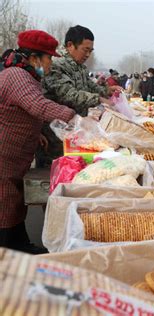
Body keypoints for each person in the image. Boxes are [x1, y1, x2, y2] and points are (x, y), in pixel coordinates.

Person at [0, 30, 76, 253]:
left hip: (15, 155)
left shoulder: (25, 75)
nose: (50, 63)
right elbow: (38, 106)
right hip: (4, 155)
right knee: (5, 202)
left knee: (13, 200)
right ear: (34, 57)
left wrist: (37, 133)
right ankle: (8, 252)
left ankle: (18, 245)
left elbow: (18, 110)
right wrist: (74, 116)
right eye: (49, 58)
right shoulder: (17, 76)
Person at [40, 25, 122, 167]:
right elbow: (68, 94)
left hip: (74, 131)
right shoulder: (56, 65)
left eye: (90, 51)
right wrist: (98, 99)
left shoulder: (79, 67)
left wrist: (107, 90)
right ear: (70, 45)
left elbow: (90, 87)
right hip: (56, 134)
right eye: (85, 50)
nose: (88, 55)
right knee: (54, 173)